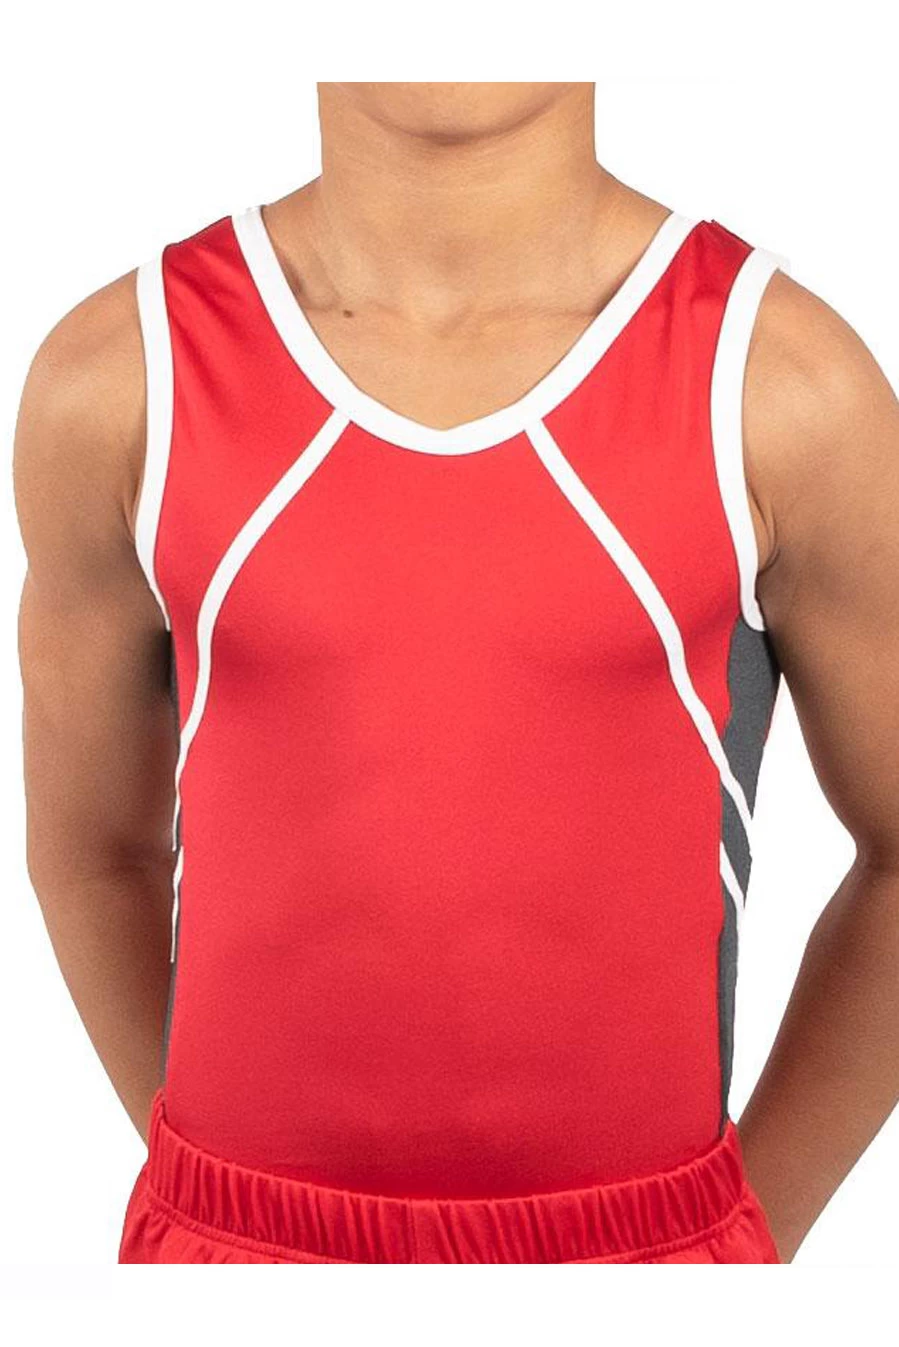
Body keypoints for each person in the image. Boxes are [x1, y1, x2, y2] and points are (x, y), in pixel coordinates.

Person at [13, 82, 899, 1265]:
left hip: (646, 1252)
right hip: (228, 1245)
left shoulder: (779, 383)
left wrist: (733, 1241)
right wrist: (213, 1195)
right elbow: (90, 853)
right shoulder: (120, 376)